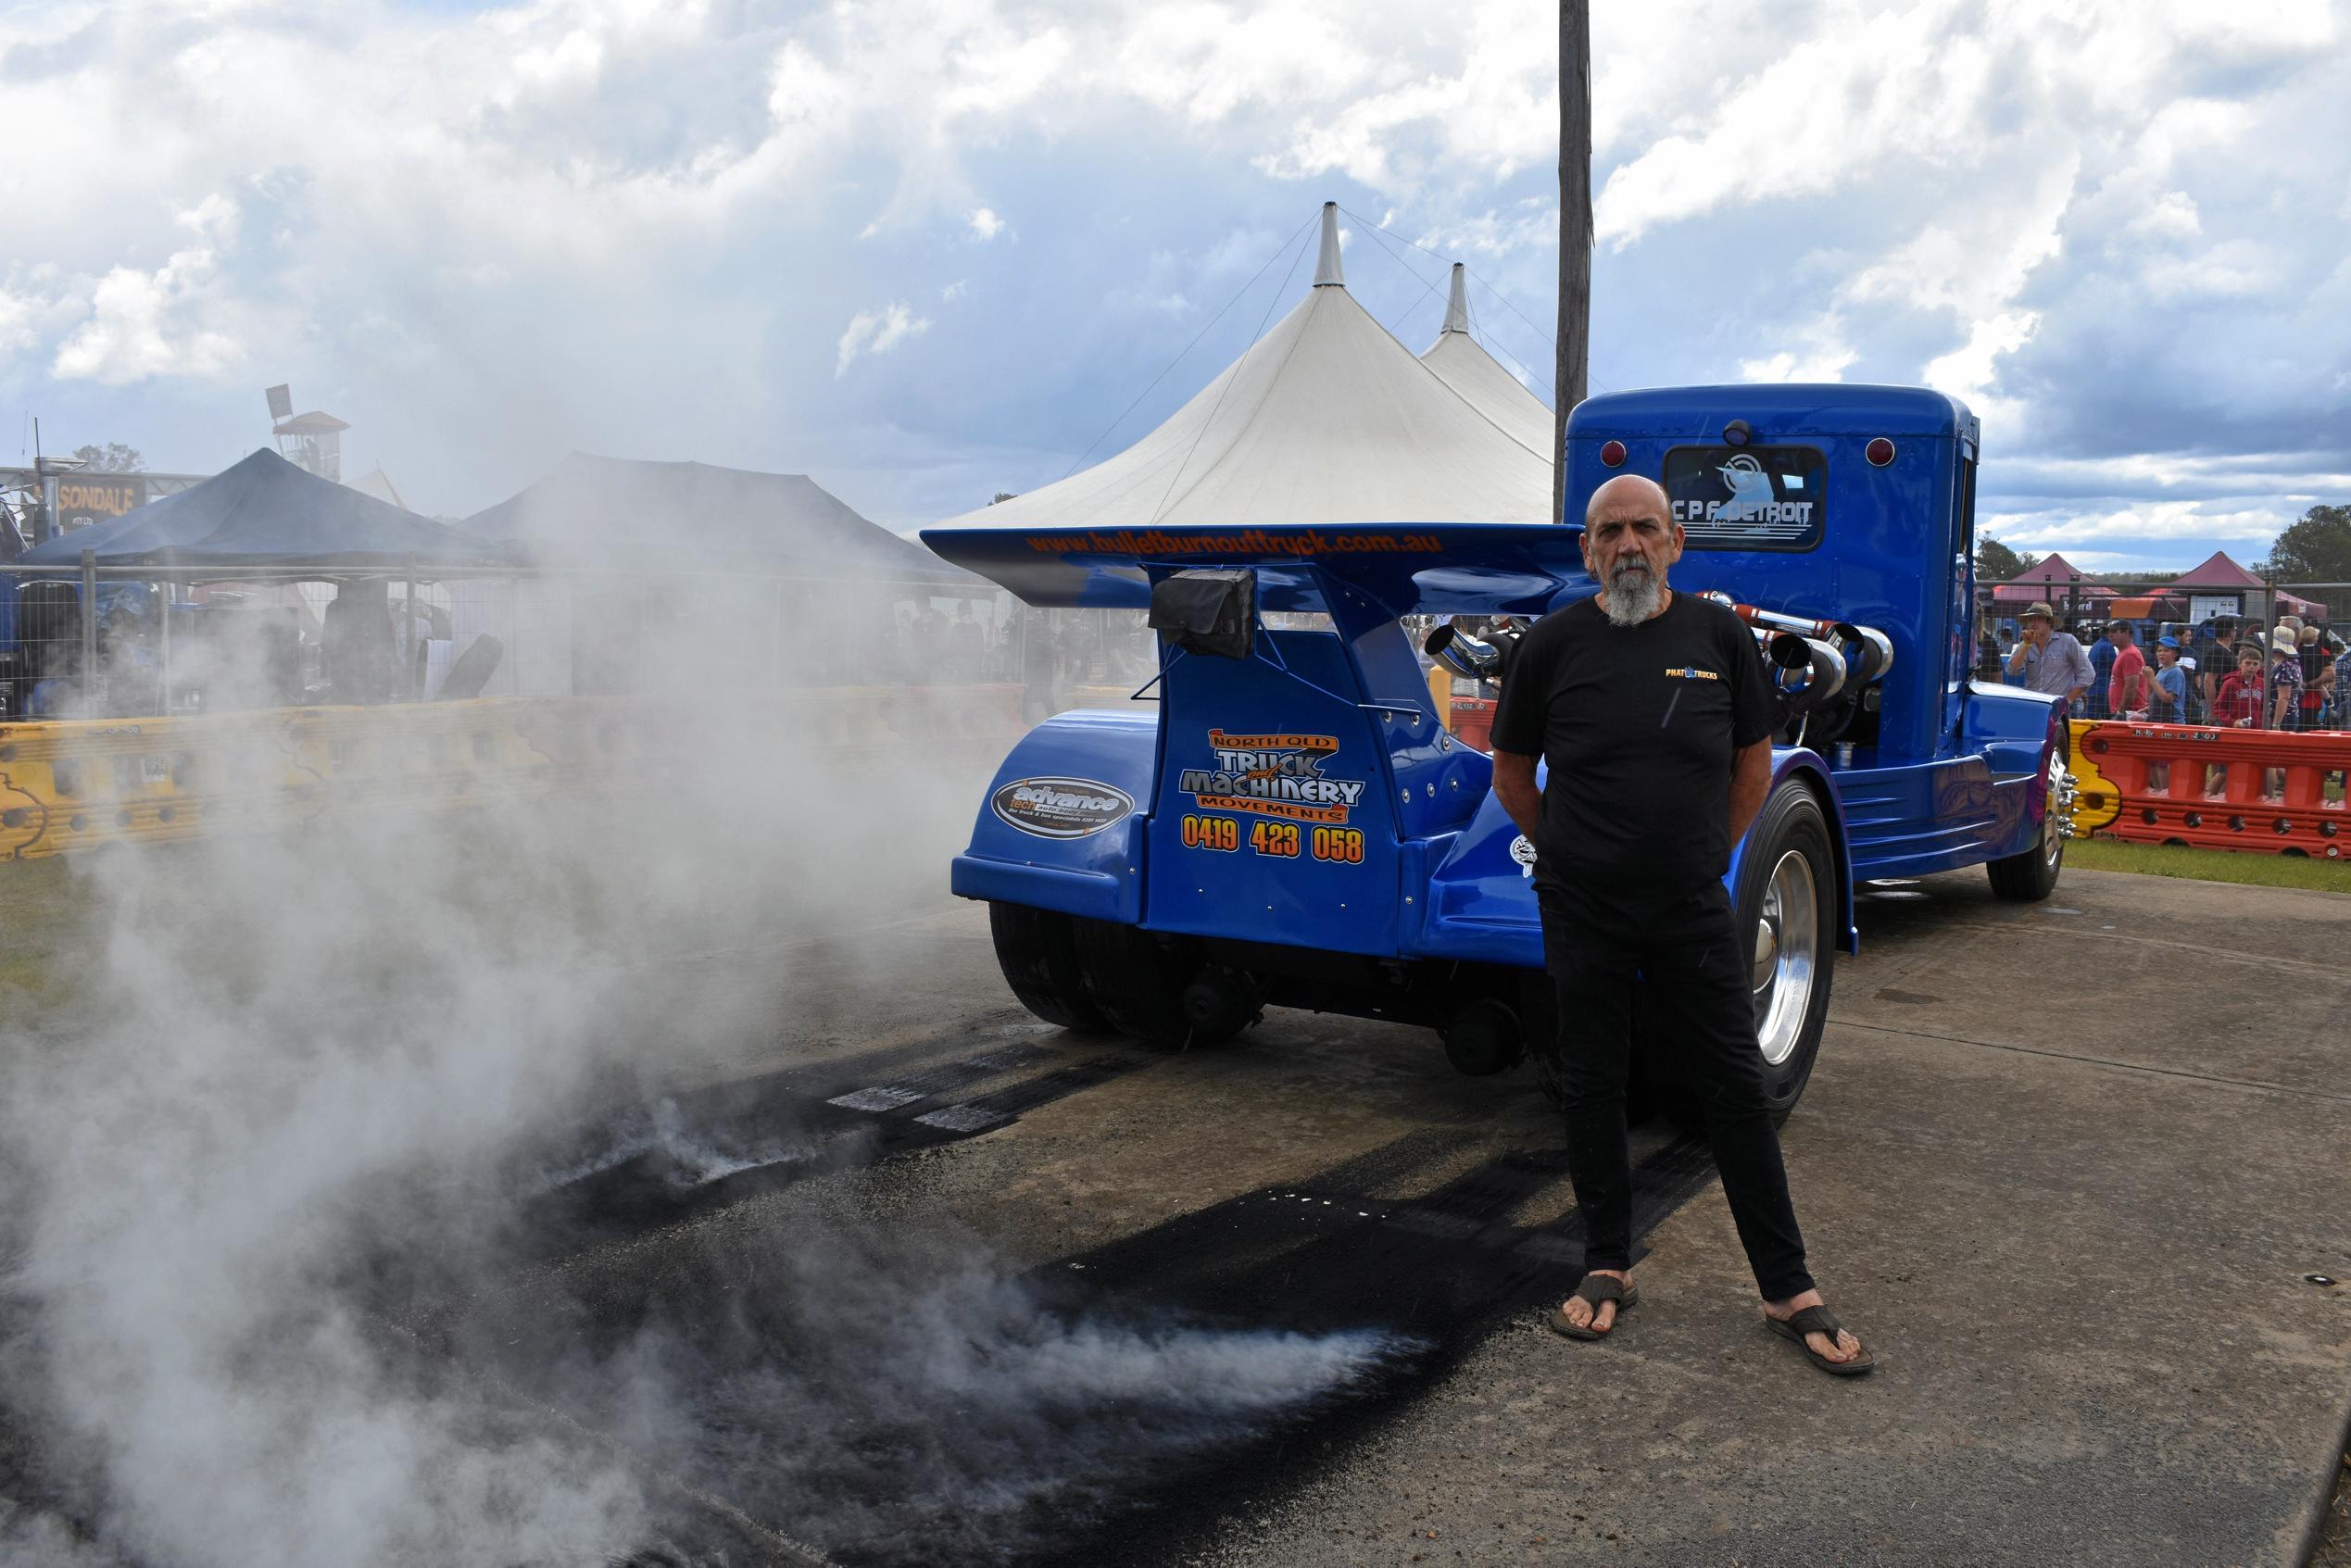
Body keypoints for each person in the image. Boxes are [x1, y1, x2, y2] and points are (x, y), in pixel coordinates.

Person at [1489, 472, 1870, 1377]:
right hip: (1583, 908)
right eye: (1610, 530)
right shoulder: (1551, 645)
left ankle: (1788, 1286)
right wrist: (1569, 854)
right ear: (1588, 550)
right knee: (1593, 1082)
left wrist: (1708, 855)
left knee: (1734, 1088)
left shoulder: (1718, 636)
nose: (1628, 544)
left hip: (1691, 905)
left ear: (1674, 544)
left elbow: (1753, 763)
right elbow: (1511, 772)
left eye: (1645, 529)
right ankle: (1606, 1262)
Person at [2005, 602, 2093, 710]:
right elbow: (2012, 671)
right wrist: (2026, 646)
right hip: (2035, 706)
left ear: (2049, 622)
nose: (2033, 623)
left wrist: (2068, 701)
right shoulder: (2024, 645)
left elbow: (2088, 674)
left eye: (2038, 619)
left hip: (2061, 706)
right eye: (2030, 619)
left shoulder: (2068, 641)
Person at [2214, 647, 2267, 727]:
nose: (2251, 667)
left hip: (2257, 730)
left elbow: (2264, 707)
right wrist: (2233, 722)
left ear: (2260, 666)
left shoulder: (2262, 683)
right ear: (2239, 664)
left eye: (2255, 664)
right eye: (2248, 663)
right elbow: (2218, 708)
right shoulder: (2230, 683)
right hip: (2235, 730)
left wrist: (2261, 723)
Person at [2105, 622, 2147, 719]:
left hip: (2130, 712)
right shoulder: (2124, 653)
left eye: (2114, 631)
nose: (2110, 635)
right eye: (2109, 632)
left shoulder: (2129, 654)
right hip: (2127, 711)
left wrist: (2121, 711)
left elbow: (2132, 686)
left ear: (2127, 633)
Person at [2146, 636, 2189, 724]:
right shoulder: (2162, 671)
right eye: (2159, 651)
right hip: (2159, 719)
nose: (2161, 653)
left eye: (2166, 651)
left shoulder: (2175, 672)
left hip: (2171, 721)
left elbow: (2168, 698)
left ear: (2175, 654)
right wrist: (2149, 708)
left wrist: (2151, 678)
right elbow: (2156, 694)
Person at [2268, 629, 2304, 730]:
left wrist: (2276, 724)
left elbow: (2284, 697)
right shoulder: (2293, 663)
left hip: (2282, 717)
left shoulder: (2284, 667)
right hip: (2289, 714)